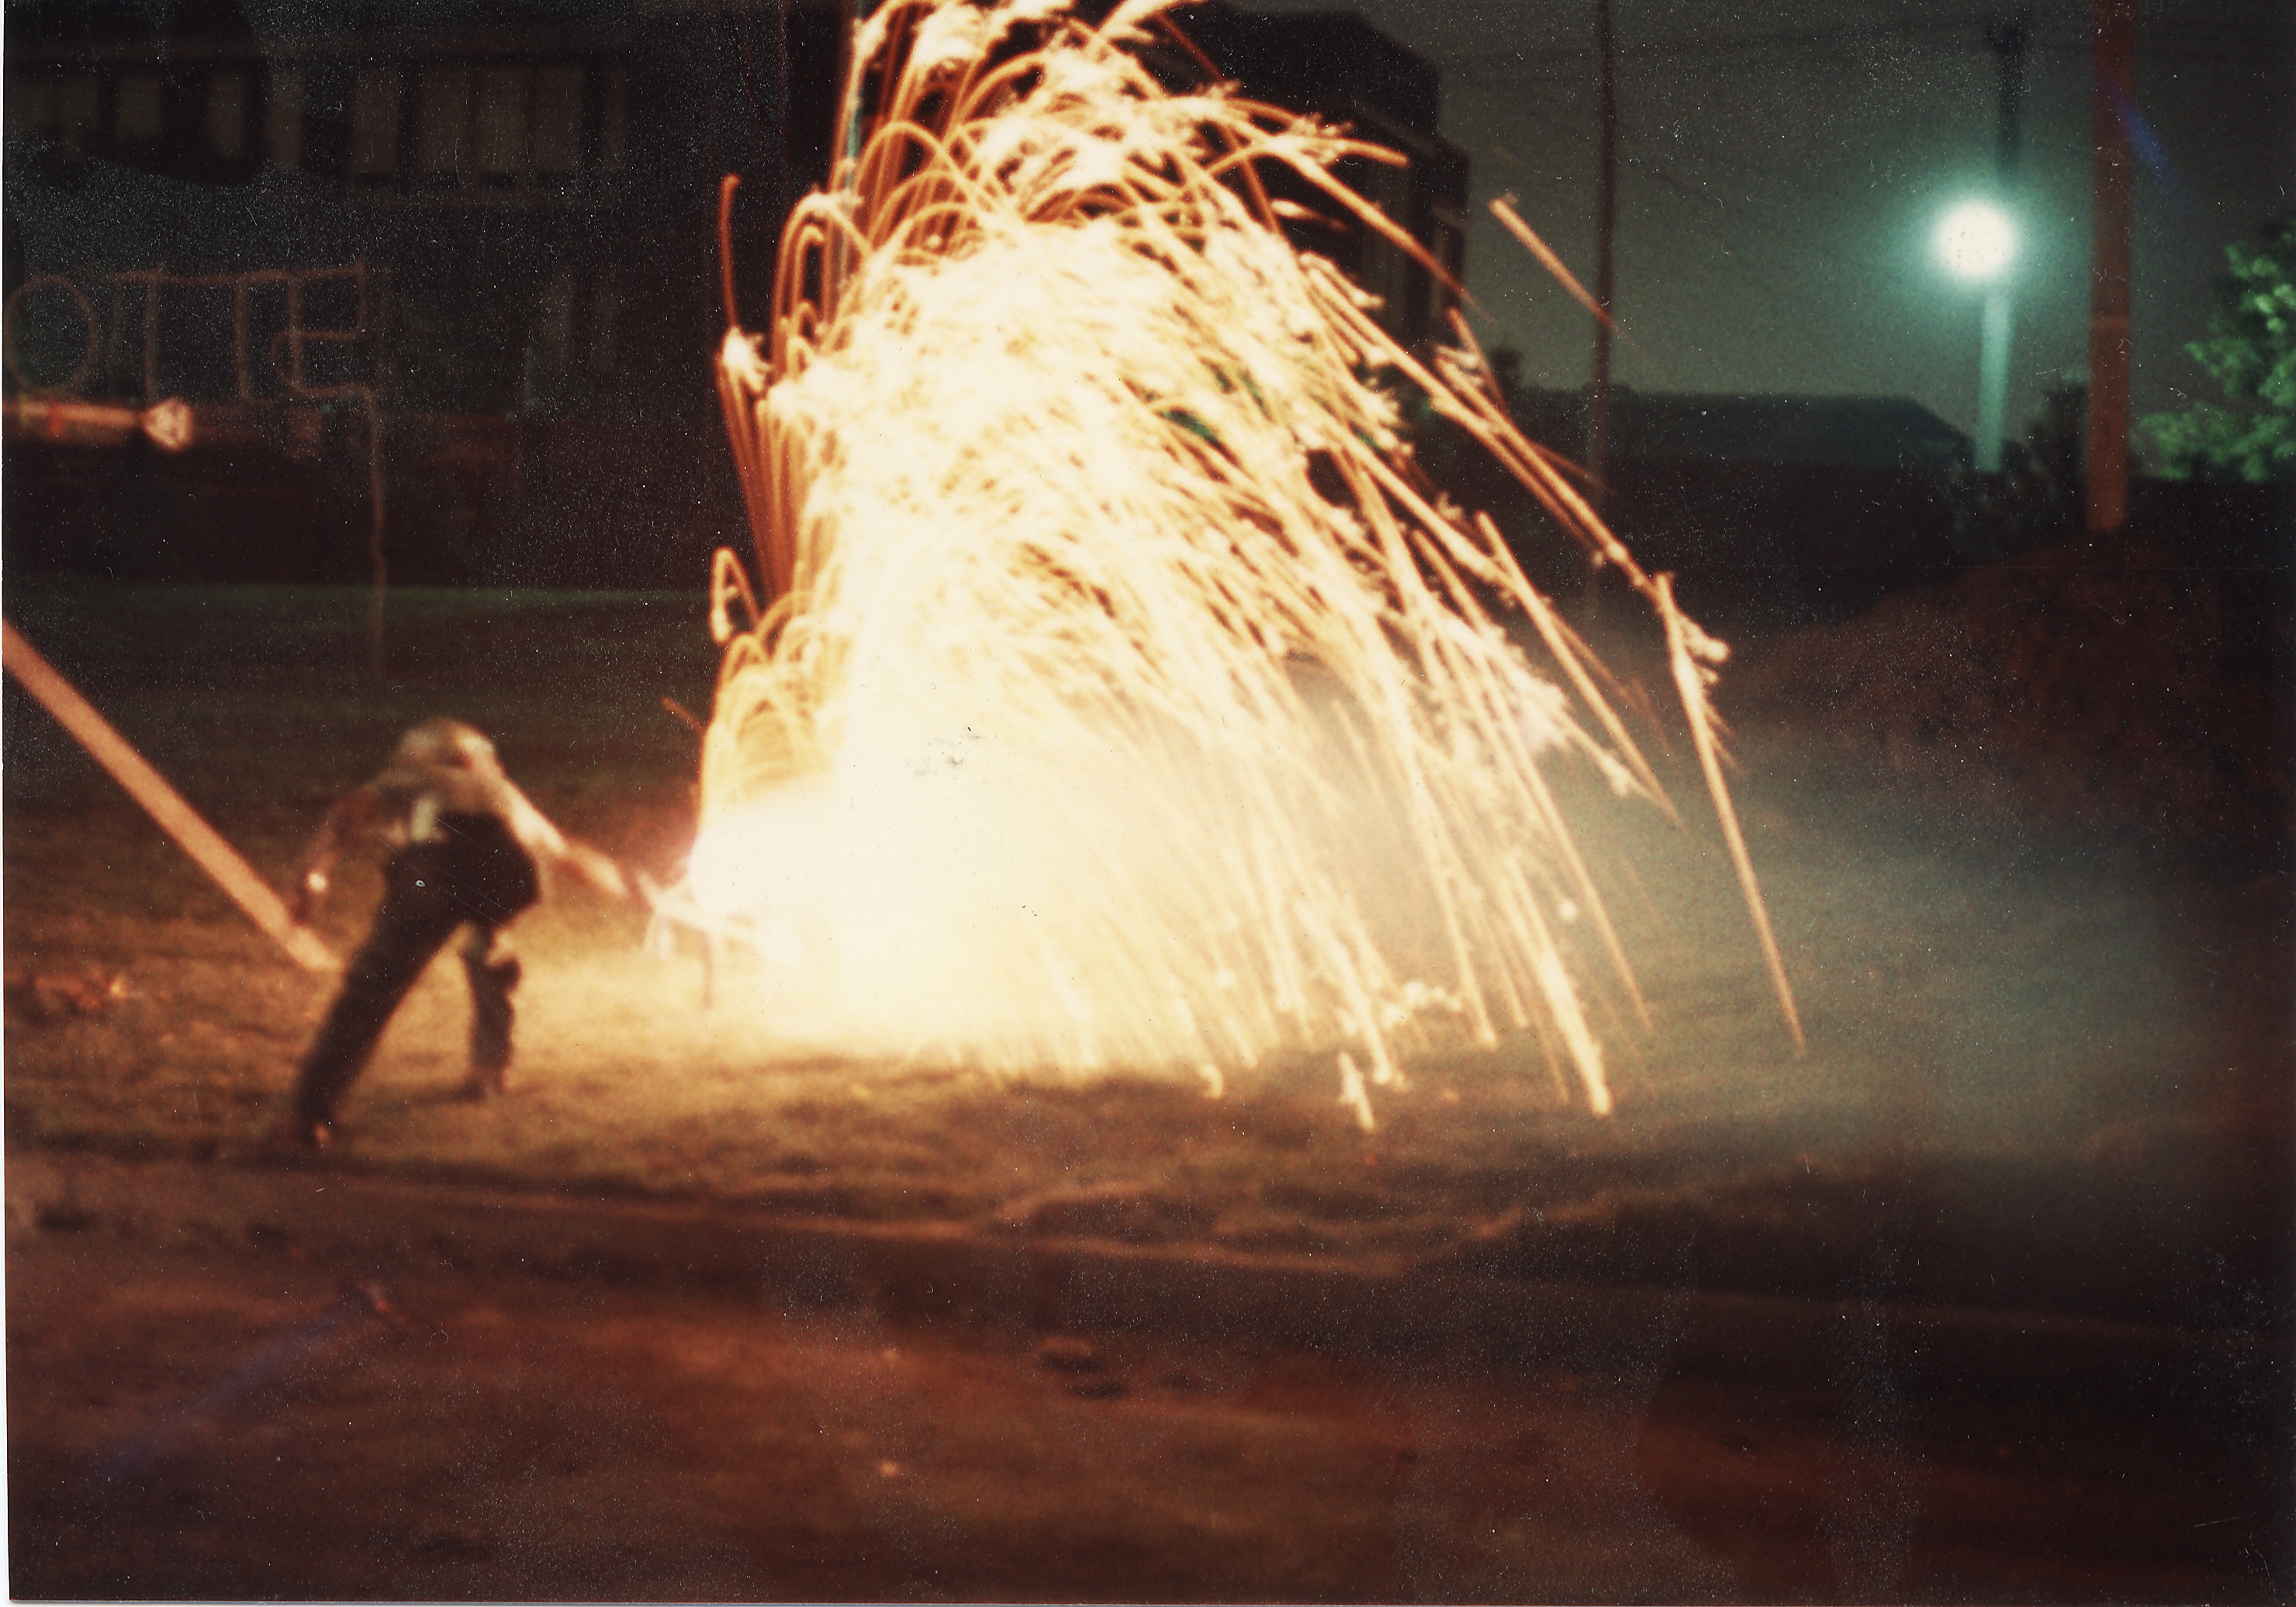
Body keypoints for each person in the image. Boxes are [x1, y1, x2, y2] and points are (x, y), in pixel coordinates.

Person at [277, 718, 628, 1149]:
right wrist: (627, 885)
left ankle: (305, 1113)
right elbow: (564, 852)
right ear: (473, 758)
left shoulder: (410, 779)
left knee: (371, 987)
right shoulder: (503, 792)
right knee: (489, 949)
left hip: (434, 869)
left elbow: (345, 816)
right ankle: (489, 1068)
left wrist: (311, 880)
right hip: (509, 869)